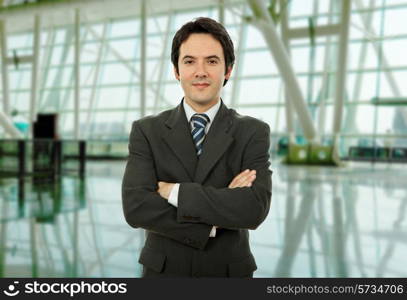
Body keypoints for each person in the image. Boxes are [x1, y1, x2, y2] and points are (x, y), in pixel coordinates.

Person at [122, 17, 272, 278]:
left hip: (228, 273)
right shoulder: (147, 131)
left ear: (228, 70)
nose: (200, 71)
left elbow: (253, 208)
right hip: (163, 273)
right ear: (177, 71)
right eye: (189, 61)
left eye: (212, 61)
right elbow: (136, 207)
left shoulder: (252, 132)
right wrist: (215, 218)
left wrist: (174, 191)